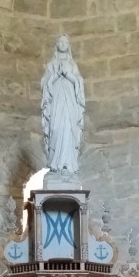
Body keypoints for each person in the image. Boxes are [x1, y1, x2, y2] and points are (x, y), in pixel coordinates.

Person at [41, 34, 85, 174]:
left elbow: (79, 82)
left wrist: (68, 75)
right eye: (60, 41)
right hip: (56, 103)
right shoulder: (51, 65)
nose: (63, 44)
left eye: (65, 42)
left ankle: (68, 163)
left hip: (70, 103)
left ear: (68, 45)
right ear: (57, 44)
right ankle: (55, 162)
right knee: (55, 128)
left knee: (69, 128)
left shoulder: (72, 65)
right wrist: (55, 76)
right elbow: (44, 84)